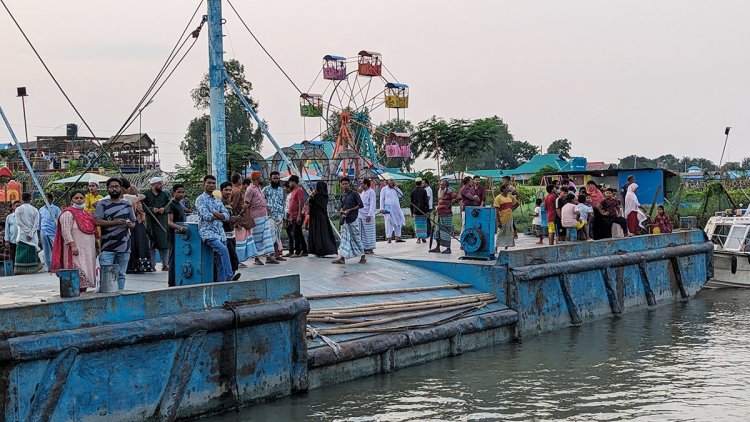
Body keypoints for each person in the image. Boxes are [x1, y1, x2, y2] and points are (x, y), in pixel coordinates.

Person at [50, 190, 98, 292]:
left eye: (81, 198)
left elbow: (93, 231)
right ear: (72, 200)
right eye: (76, 198)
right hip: (75, 249)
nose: (79, 200)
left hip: (88, 250)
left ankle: (83, 291)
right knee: (76, 271)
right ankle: (74, 293)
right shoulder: (68, 213)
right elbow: (66, 231)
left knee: (87, 269)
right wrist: (73, 246)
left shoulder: (87, 214)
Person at [94, 178, 137, 289]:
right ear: (108, 189)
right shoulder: (102, 204)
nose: (114, 189)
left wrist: (130, 225)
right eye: (111, 187)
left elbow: (134, 223)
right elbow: (97, 221)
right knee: (106, 274)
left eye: (116, 186)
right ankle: (105, 298)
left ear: (121, 188)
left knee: (121, 275)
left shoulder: (127, 205)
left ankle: (119, 296)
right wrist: (114, 222)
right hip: (107, 247)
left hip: (124, 246)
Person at [195, 175, 234, 282]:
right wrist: (220, 215)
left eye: (213, 183)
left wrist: (215, 213)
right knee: (223, 249)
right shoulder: (200, 199)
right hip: (208, 233)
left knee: (220, 262)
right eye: (209, 183)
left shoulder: (217, 200)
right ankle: (229, 275)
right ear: (204, 184)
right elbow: (207, 216)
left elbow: (227, 216)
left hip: (220, 233)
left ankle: (222, 283)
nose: (211, 185)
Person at [245, 171, 280, 265]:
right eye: (260, 176)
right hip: (255, 218)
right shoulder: (250, 189)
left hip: (264, 217)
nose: (262, 178)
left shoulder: (259, 188)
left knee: (267, 237)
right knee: (257, 238)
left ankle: (269, 257)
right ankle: (256, 259)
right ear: (256, 178)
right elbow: (246, 204)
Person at [332, 177, 365, 265]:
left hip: (353, 219)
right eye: (343, 184)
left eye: (346, 183)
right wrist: (342, 211)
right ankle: (342, 258)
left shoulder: (354, 194)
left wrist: (350, 210)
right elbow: (342, 206)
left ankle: (363, 256)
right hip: (345, 219)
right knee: (344, 239)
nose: (345, 185)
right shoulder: (342, 195)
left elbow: (361, 205)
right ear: (341, 185)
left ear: (349, 184)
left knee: (356, 238)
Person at [143, 177, 171, 271]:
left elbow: (169, 205)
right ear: (153, 185)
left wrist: (164, 209)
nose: (160, 185)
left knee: (164, 244)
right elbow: (142, 207)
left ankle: (165, 264)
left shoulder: (164, 194)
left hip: (162, 221)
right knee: (151, 245)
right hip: (150, 222)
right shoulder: (146, 195)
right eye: (158, 184)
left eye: (161, 183)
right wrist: (151, 209)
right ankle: (152, 265)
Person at [14, 192, 43, 275]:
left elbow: (18, 222)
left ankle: (20, 271)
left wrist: (27, 231)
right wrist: (30, 233)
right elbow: (36, 224)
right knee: (32, 252)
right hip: (32, 236)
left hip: (22, 236)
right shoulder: (35, 210)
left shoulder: (18, 209)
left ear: (21, 199)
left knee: (21, 254)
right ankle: (33, 269)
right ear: (30, 199)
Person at [307, 181, 338, 257]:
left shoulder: (317, 195)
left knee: (317, 233)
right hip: (323, 216)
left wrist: (313, 194)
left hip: (316, 217)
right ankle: (325, 249)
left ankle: (319, 250)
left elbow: (309, 200)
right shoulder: (325, 196)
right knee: (323, 233)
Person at [166, 184, 188, 286]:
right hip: (174, 234)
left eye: (183, 192)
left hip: (181, 236)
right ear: (173, 193)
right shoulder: (171, 205)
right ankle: (171, 282)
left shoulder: (180, 204)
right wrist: (179, 228)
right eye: (179, 192)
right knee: (173, 258)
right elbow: (170, 222)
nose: (181, 194)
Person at [429, 179, 459, 254]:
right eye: (440, 184)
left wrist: (452, 202)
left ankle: (448, 248)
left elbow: (458, 197)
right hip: (440, 214)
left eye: (443, 185)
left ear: (446, 186)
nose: (441, 186)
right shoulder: (440, 192)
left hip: (447, 215)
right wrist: (436, 210)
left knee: (446, 231)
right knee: (438, 231)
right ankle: (437, 247)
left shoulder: (449, 192)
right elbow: (440, 203)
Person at [262, 171, 287, 261]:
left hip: (279, 216)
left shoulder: (282, 190)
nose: (276, 180)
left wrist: (284, 218)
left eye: (277, 178)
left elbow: (283, 204)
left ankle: (277, 255)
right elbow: (261, 201)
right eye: (274, 178)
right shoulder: (265, 189)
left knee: (278, 236)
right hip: (270, 217)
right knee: (271, 236)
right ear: (270, 179)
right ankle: (269, 257)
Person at [229, 173, 253, 264]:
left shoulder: (233, 190)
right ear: (238, 180)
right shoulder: (237, 191)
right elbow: (233, 206)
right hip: (239, 219)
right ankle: (238, 260)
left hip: (238, 218)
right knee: (240, 241)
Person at [37, 193, 62, 270]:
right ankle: (49, 267)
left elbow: (59, 220)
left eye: (46, 198)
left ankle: (58, 265)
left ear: (51, 199)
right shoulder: (41, 209)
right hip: (43, 232)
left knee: (55, 248)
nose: (44, 200)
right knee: (46, 249)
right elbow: (39, 222)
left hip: (53, 232)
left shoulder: (56, 209)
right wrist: (38, 232)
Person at [220, 182, 240, 274]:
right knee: (230, 255)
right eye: (226, 190)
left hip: (231, 233)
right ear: (221, 191)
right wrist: (232, 219)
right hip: (225, 233)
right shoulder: (220, 203)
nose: (228, 192)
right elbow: (223, 218)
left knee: (233, 255)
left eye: (230, 190)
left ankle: (232, 273)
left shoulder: (228, 202)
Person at [287, 175, 308, 257]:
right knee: (299, 233)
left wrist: (299, 215)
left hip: (298, 215)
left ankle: (298, 251)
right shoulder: (293, 191)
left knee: (296, 233)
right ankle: (305, 250)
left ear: (294, 182)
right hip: (293, 215)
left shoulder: (299, 190)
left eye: (290, 182)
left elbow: (300, 203)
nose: (289, 184)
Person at [380, 178, 406, 243]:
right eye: (390, 182)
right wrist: (381, 208)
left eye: (392, 182)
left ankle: (398, 237)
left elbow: (401, 195)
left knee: (398, 221)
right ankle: (389, 237)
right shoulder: (384, 189)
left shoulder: (395, 189)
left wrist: (396, 187)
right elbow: (382, 199)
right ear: (388, 182)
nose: (391, 183)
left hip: (396, 208)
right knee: (388, 222)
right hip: (387, 207)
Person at [493, 184, 518, 250]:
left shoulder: (510, 197)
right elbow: (497, 211)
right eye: (507, 188)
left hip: (509, 218)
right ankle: (496, 248)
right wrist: (498, 222)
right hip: (502, 219)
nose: (508, 190)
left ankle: (506, 247)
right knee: (500, 234)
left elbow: (517, 203)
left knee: (509, 233)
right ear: (503, 189)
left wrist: (512, 209)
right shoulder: (498, 198)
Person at [358, 178, 377, 254]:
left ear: (366, 184)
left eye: (362, 183)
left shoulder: (371, 192)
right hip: (361, 215)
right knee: (363, 233)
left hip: (368, 215)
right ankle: (364, 247)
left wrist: (369, 215)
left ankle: (370, 248)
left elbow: (372, 204)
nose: (361, 185)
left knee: (369, 233)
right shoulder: (362, 192)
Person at [410, 177, 430, 243]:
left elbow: (411, 203)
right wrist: (427, 211)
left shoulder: (413, 191)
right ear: (421, 183)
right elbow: (426, 202)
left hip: (416, 211)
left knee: (417, 225)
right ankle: (423, 237)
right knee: (423, 225)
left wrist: (411, 211)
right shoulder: (424, 191)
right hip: (423, 210)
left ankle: (418, 238)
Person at [282, 181, 296, 256]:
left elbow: (288, 208)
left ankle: (291, 251)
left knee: (290, 235)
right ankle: (291, 251)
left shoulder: (290, 196)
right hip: (289, 216)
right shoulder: (290, 195)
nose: (284, 189)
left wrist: (286, 219)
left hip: (289, 217)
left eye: (285, 187)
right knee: (291, 235)